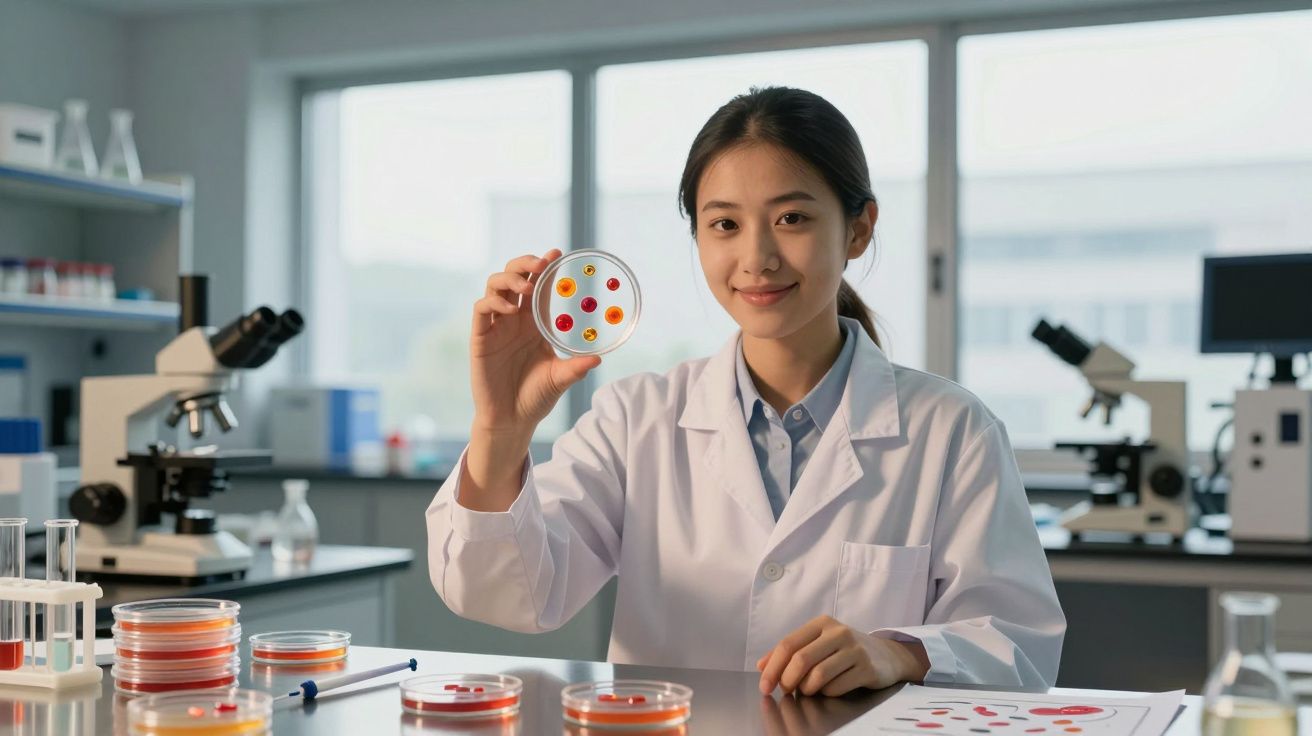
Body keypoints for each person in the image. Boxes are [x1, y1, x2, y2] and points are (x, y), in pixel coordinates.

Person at [427, 86, 1065, 696]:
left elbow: (1016, 642)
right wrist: (501, 428)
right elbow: (506, 594)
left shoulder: (951, 429)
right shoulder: (636, 419)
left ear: (858, 229)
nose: (756, 257)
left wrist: (897, 651)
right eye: (724, 225)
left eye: (791, 217)